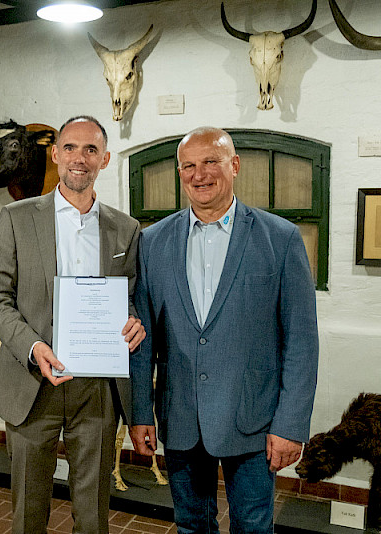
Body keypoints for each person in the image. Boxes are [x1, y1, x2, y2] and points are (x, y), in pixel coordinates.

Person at [130, 127, 318, 533]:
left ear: (234, 166)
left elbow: (301, 341)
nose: (200, 174)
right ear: (180, 174)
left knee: (253, 527)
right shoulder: (152, 242)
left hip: (253, 418)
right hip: (180, 418)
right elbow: (142, 339)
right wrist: (141, 412)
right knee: (191, 526)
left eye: (211, 162)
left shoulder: (280, 238)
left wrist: (290, 425)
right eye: (189, 166)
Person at [0, 116, 146, 534]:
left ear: (105, 159)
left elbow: (129, 300)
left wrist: (134, 323)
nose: (80, 158)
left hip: (96, 389)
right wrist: (34, 348)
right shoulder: (17, 217)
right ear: (54, 155)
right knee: (28, 513)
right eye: (70, 148)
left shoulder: (125, 229)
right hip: (32, 382)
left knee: (93, 514)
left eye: (91, 150)